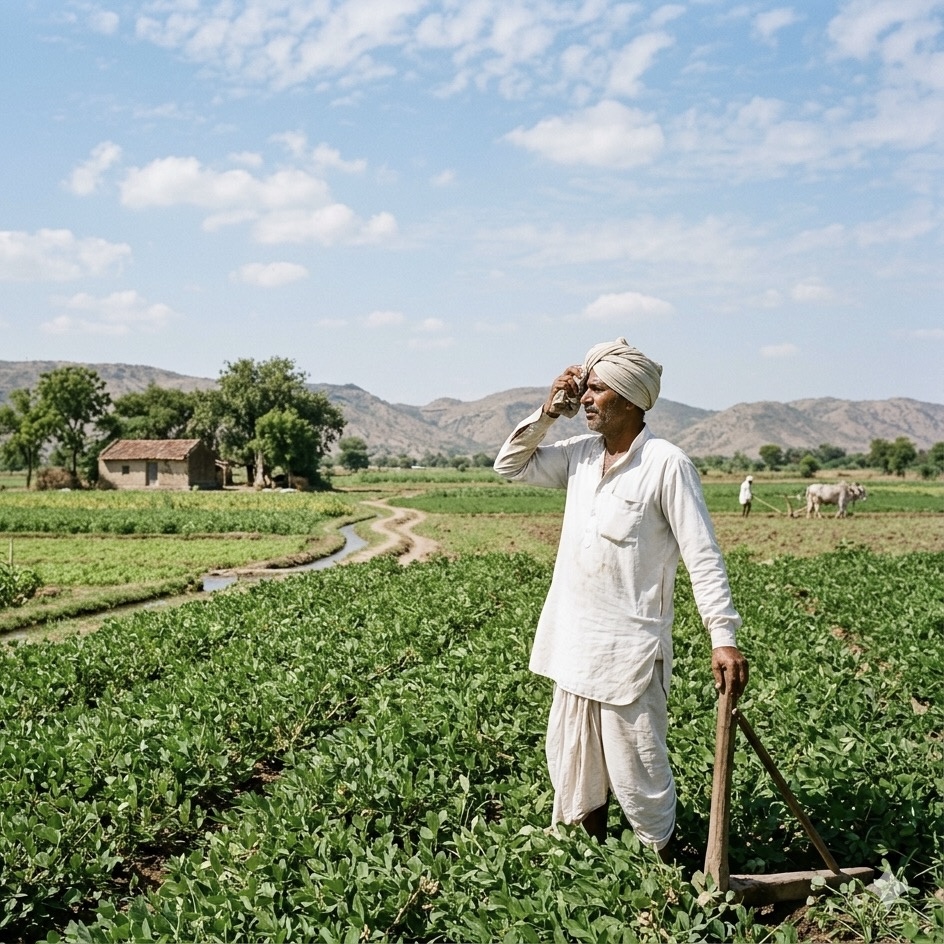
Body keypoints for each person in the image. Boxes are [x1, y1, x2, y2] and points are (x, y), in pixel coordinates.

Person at [493, 337, 749, 860]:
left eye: (597, 389)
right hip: (575, 642)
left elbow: (703, 556)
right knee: (575, 763)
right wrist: (548, 412)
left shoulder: (666, 464)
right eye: (584, 389)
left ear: (631, 400)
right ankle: (585, 863)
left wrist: (722, 637)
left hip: (628, 650)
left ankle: (664, 863)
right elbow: (509, 465)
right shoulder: (581, 457)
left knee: (639, 770)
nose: (586, 397)